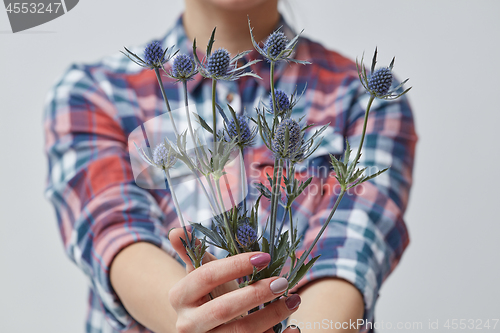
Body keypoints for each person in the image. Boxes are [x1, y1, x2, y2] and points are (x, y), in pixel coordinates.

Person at [43, 0, 417, 332]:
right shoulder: (94, 91)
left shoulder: (362, 99)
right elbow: (116, 235)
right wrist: (195, 319)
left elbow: (349, 252)